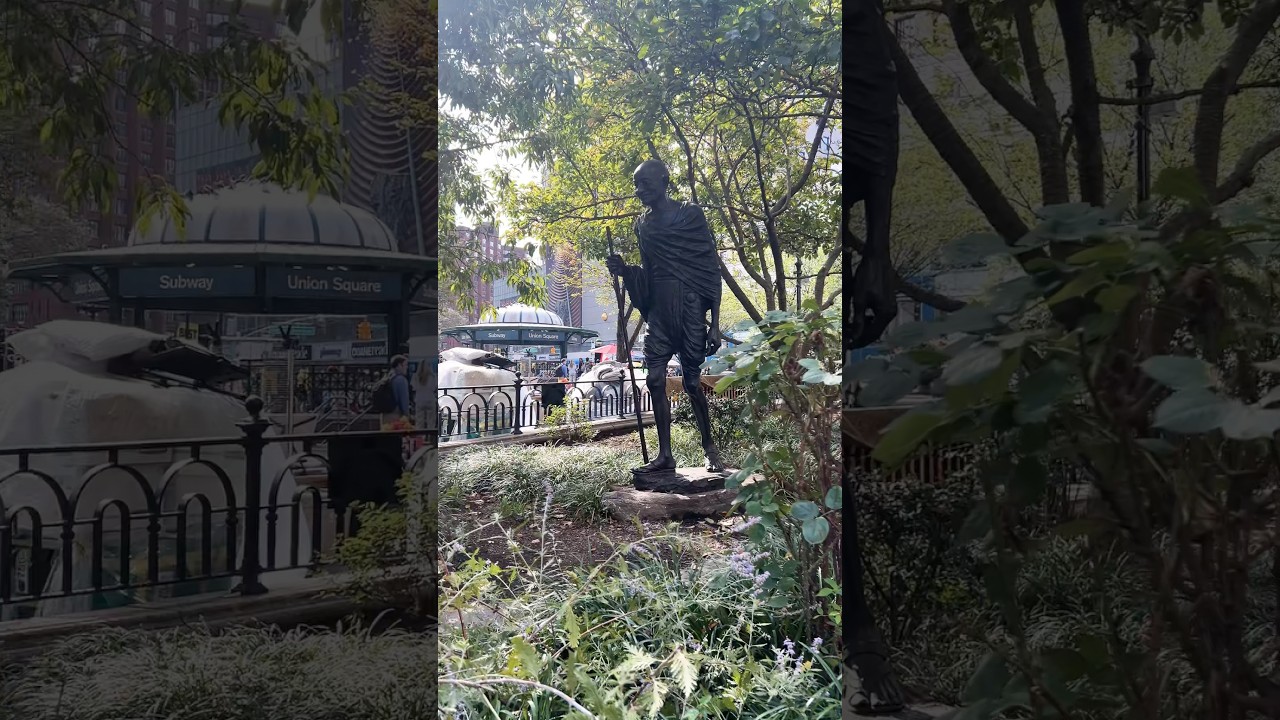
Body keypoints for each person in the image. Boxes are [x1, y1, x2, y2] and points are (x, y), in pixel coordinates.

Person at [607, 158, 725, 474]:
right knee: (655, 378)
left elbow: (709, 268)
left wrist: (714, 324)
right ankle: (665, 456)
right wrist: (626, 271)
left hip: (688, 307)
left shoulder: (690, 215)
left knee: (690, 382)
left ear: (663, 181)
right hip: (659, 310)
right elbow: (647, 271)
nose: (639, 190)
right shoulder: (643, 225)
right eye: (636, 184)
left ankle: (709, 448)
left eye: (644, 183)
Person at [381, 354, 412, 427]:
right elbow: (404, 401)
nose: (407, 367)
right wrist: (407, 416)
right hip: (396, 416)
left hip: (384, 416)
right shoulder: (401, 380)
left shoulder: (387, 377)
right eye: (405, 365)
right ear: (399, 365)